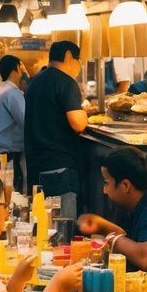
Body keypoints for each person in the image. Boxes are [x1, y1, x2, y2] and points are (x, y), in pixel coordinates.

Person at [77, 147, 147, 275]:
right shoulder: (132, 204)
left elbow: (146, 258)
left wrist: (106, 231)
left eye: (106, 183)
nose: (104, 191)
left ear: (125, 185)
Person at [23, 41, 87, 203]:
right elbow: (78, 123)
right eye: (78, 58)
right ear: (68, 56)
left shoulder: (35, 82)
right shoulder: (65, 82)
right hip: (59, 168)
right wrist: (85, 114)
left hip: (36, 166)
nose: (79, 64)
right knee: (63, 222)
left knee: (43, 221)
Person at [0, 55, 28, 192]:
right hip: (4, 156)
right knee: (11, 196)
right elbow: (27, 122)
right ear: (17, 68)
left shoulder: (2, 90)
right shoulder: (12, 93)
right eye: (21, 67)